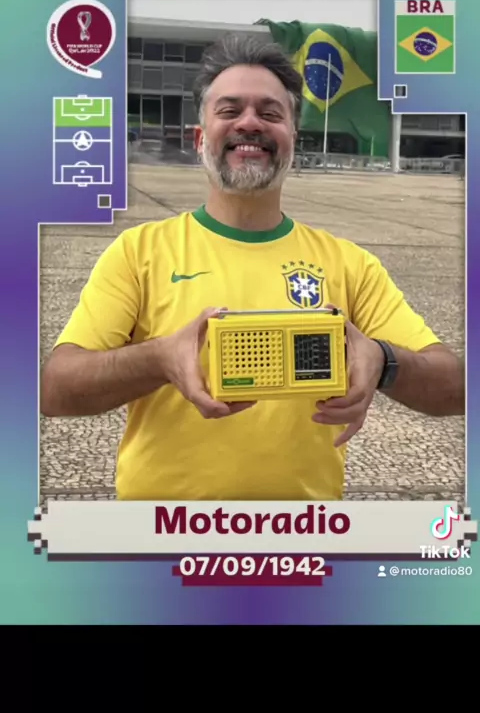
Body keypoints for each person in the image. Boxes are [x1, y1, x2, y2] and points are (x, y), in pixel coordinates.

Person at [40, 33, 465, 502]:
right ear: (199, 138)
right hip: (162, 534)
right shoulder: (139, 252)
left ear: (292, 140)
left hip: (303, 536)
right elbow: (57, 389)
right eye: (229, 110)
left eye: (270, 113)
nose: (249, 123)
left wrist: (384, 360)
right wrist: (157, 359)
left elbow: (454, 387)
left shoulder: (350, 264)